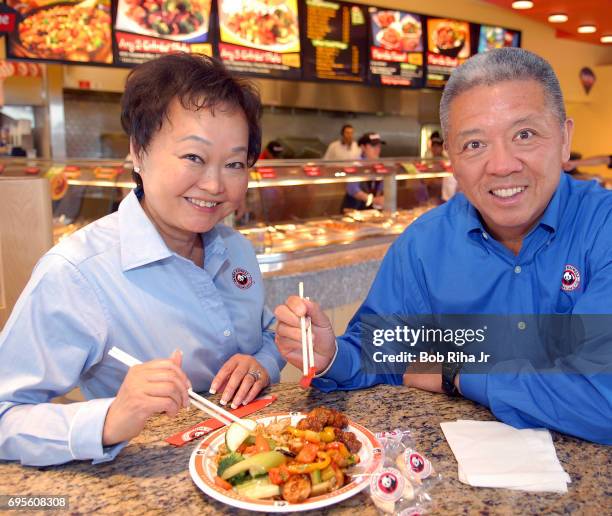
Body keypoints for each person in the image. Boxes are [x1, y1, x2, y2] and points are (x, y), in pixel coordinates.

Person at [275, 48, 612, 444]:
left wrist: (457, 373)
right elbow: (381, 355)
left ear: (564, 138)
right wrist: (331, 353)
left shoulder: (601, 228)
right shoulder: (424, 244)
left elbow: (602, 398)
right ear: (450, 156)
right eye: (474, 144)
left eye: (524, 134)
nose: (502, 165)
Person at [0, 54, 284, 466]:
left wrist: (261, 362)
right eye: (193, 157)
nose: (215, 184)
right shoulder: (76, 273)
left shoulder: (235, 248)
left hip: (254, 466)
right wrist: (111, 418)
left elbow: (266, 333)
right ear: (139, 151)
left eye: (235, 164)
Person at [342, 132, 386, 210]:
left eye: (379, 146)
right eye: (373, 146)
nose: (377, 149)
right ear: (363, 147)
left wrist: (381, 198)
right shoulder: (356, 165)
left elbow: (382, 187)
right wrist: (372, 200)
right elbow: (353, 189)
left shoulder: (380, 165)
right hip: (354, 208)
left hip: (371, 210)